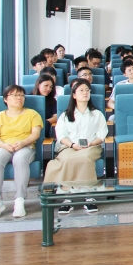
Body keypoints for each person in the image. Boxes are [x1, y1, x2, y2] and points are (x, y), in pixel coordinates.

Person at [43, 79, 108, 214]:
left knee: (84, 158)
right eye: (81, 90)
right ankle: (69, 197)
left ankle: (87, 196)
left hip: (91, 147)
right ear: (74, 95)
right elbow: (61, 135)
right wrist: (72, 144)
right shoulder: (66, 115)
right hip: (69, 147)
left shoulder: (97, 114)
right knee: (67, 159)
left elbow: (102, 134)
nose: (85, 93)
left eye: (87, 90)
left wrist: (91, 143)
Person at [0, 85, 43, 218]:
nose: (19, 98)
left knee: (19, 159)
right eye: (15, 95)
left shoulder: (32, 114)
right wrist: (4, 145)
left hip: (26, 146)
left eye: (21, 95)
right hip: (5, 146)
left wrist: (22, 143)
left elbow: (36, 134)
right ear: (5, 99)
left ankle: (20, 199)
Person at [32, 74, 57, 138]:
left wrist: (43, 122)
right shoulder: (29, 99)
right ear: (38, 85)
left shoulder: (52, 101)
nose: (48, 89)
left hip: (44, 127)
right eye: (46, 85)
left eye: (51, 87)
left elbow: (56, 117)